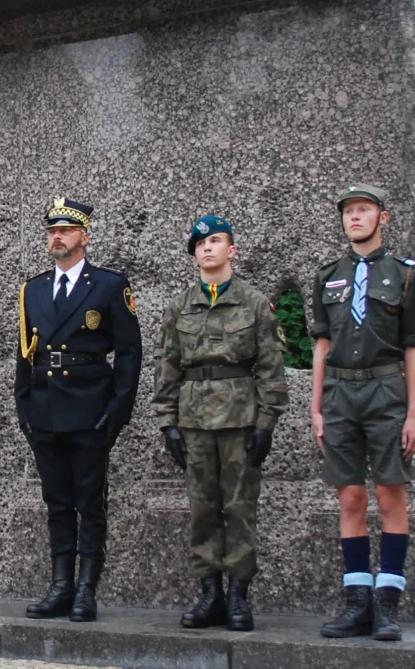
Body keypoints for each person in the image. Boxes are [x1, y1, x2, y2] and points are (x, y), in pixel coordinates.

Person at [152, 216, 287, 631]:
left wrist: (266, 422)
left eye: (215, 240)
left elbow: (270, 366)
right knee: (202, 509)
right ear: (194, 254)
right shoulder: (180, 305)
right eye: (200, 243)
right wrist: (167, 422)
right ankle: (209, 593)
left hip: (240, 418)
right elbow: (167, 365)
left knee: (240, 508)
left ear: (233, 250)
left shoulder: (254, 302)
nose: (207, 248)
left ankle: (239, 597)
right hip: (194, 420)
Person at [13, 199, 142, 622]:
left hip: (89, 409)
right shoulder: (33, 289)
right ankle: (60, 586)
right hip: (46, 410)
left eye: (65, 230)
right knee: (57, 502)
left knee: (90, 502)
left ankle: (87, 589)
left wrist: (118, 410)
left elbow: (128, 353)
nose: (57, 236)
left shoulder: (107, 286)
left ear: (84, 237)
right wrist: (24, 407)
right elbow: (24, 355)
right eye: (52, 230)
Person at [310, 185, 415, 642]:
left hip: (386, 392)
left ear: (384, 217)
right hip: (340, 393)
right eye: (348, 212)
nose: (354, 218)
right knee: (351, 499)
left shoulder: (404, 276)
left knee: (392, 498)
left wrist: (413, 411)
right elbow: (322, 344)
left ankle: (387, 605)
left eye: (363, 210)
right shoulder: (328, 275)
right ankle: (356, 602)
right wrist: (316, 406)